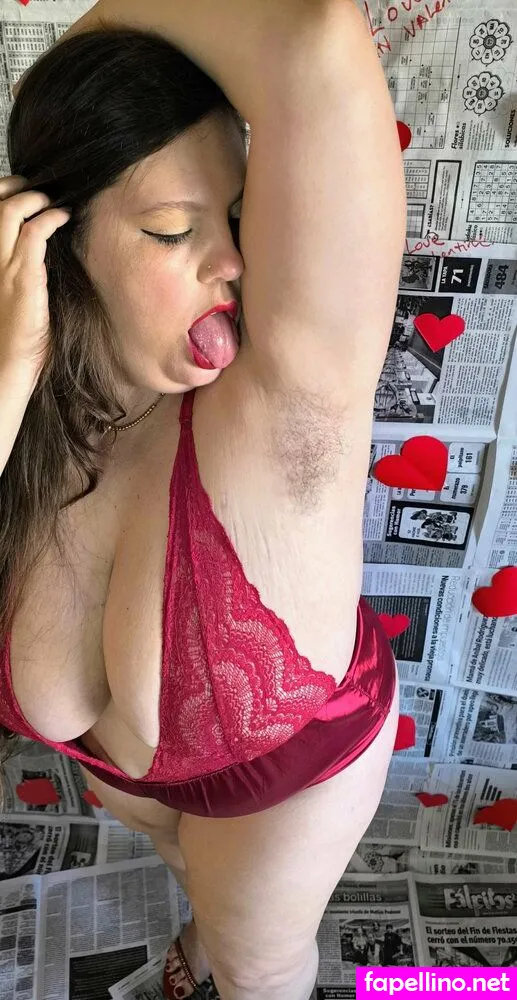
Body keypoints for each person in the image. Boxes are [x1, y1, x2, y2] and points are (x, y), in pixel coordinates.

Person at [0, 1, 406, 998]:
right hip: (136, 789)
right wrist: (7, 370)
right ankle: (206, 922)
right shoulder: (28, 398)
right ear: (58, 240)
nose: (233, 263)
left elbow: (314, 36)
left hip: (285, 786)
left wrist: (84, 54)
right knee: (197, 881)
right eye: (174, 229)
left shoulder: (290, 391)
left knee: (259, 964)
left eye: (235, 217)